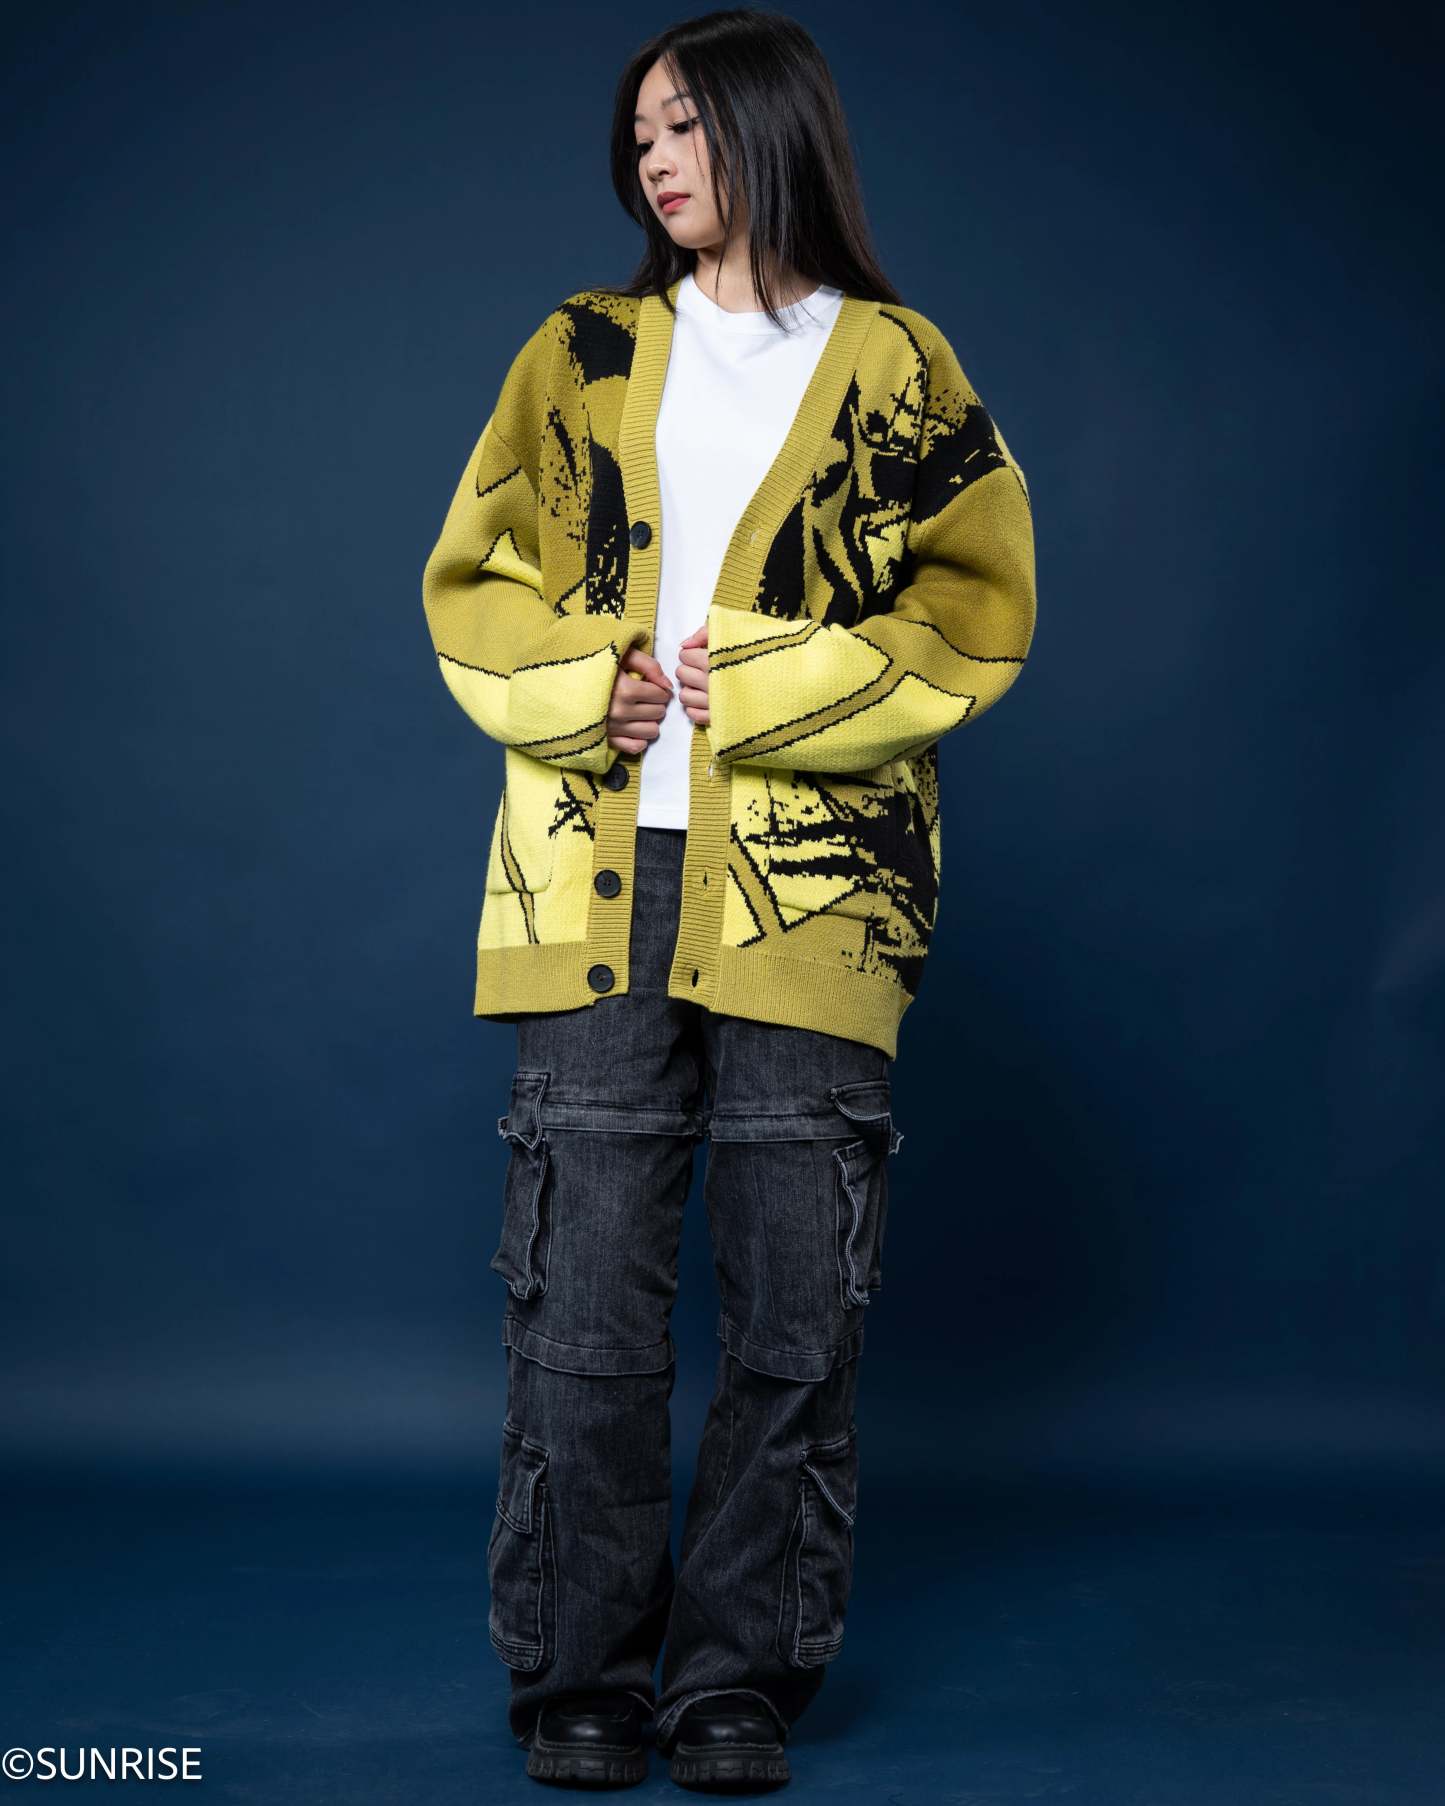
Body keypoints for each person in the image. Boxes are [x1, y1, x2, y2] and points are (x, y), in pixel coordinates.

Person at [420, 7, 1037, 1790]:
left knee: (791, 1309)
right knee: (584, 1305)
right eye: (640, 135)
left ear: (774, 129)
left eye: (684, 124)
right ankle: (582, 1672)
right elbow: (474, 578)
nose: (655, 158)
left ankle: (735, 1677)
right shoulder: (580, 351)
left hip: (814, 895)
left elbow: (976, 611)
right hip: (594, 878)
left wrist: (765, 684)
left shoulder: (898, 364)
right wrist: (580, 688)